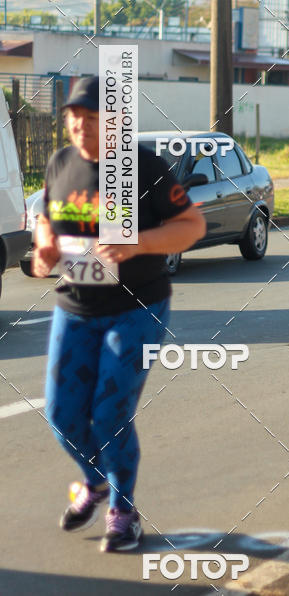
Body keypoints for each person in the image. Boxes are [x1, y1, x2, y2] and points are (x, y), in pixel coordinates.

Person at [33, 76, 206, 552]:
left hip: (137, 306)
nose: (80, 127)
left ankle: (123, 510)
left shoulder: (143, 167)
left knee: (109, 415)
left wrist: (140, 242)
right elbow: (48, 217)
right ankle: (95, 481)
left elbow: (192, 224)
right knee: (62, 416)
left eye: (91, 118)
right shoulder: (60, 163)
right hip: (75, 305)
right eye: (73, 117)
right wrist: (43, 248)